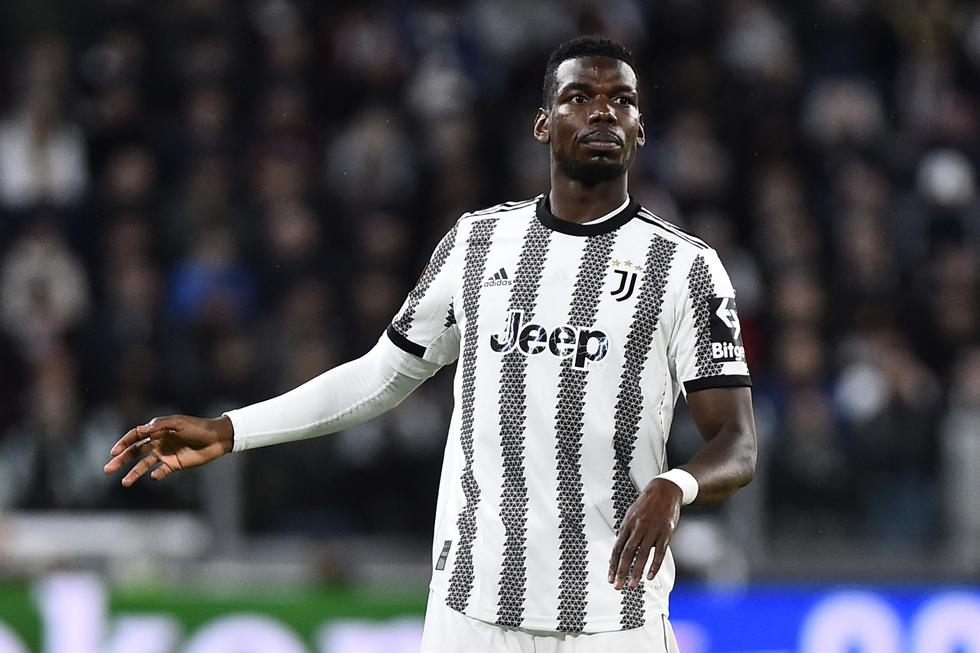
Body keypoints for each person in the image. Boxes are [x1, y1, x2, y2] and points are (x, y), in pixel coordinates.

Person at [105, 36, 757, 652]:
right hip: (470, 613)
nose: (603, 111)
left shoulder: (686, 269)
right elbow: (378, 377)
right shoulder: (478, 243)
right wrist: (231, 430)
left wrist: (675, 484)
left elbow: (736, 441)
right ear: (542, 125)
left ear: (640, 130)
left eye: (622, 100)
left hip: (613, 617)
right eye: (579, 96)